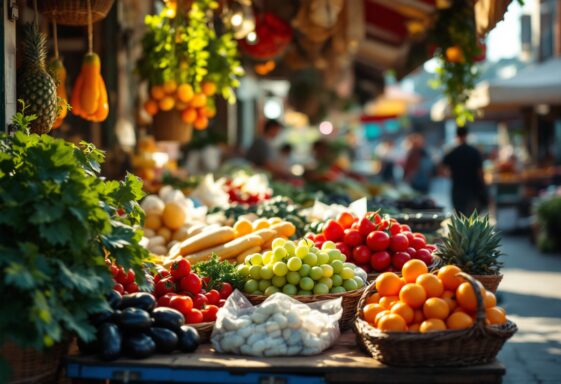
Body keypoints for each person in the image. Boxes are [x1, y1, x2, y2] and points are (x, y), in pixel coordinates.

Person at [441, 126, 487, 216]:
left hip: (457, 188)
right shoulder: (474, 151)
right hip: (472, 188)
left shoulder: (452, 152)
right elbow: (480, 172)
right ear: (467, 135)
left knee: (460, 216)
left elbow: (442, 169)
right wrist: (483, 186)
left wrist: (450, 175)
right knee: (472, 216)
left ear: (456, 136)